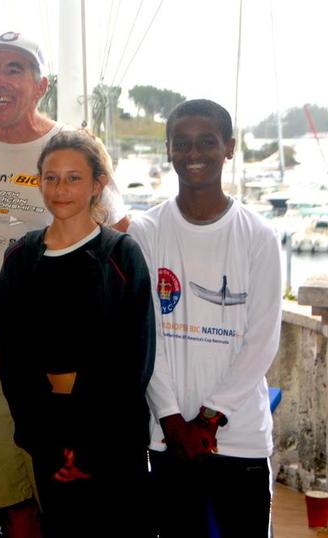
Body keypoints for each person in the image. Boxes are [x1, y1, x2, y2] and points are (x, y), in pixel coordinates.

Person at [0, 32, 128, 537]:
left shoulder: (71, 149)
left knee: (67, 503)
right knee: (10, 503)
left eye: (14, 69)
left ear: (40, 85)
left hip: (58, 366)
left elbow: (117, 239)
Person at [129, 99, 282, 537]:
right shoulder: (147, 231)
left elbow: (262, 340)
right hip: (168, 437)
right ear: (168, 150)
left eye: (207, 142)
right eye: (182, 143)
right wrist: (172, 418)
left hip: (240, 437)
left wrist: (209, 419)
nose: (194, 153)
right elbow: (145, 336)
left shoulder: (258, 236)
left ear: (229, 148)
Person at [0, 131, 154, 536]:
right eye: (51, 178)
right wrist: (47, 444)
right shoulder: (20, 257)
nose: (60, 189)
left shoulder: (121, 255)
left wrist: (89, 449)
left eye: (73, 178)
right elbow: (13, 360)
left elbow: (134, 360)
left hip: (112, 436)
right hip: (48, 435)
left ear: (97, 184)